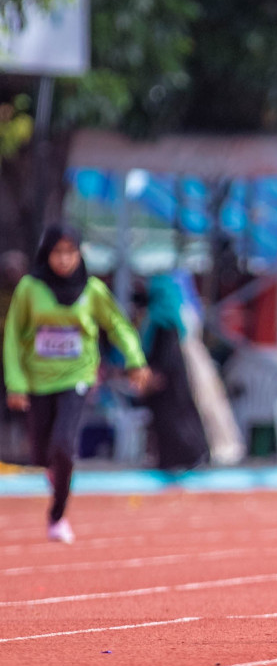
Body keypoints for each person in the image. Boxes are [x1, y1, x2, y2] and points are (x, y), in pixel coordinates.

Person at [3, 226, 150, 541]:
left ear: (80, 254)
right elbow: (13, 337)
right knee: (42, 454)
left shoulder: (92, 289)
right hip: (38, 380)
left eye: (71, 252)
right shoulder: (30, 289)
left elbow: (117, 325)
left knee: (64, 445)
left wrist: (135, 360)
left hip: (77, 377)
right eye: (58, 252)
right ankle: (55, 469)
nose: (64, 259)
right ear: (47, 253)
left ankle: (57, 516)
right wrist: (15, 383)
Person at [135, 275, 210, 473]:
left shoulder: (162, 321)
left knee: (172, 420)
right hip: (173, 380)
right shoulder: (172, 319)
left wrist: (156, 375)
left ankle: (183, 457)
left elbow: (164, 353)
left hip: (165, 381)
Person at [0, 250, 29, 464]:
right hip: (2, 361)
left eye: (15, 269)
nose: (11, 273)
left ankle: (25, 454)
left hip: (24, 363)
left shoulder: (30, 296)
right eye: (8, 269)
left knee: (25, 410)